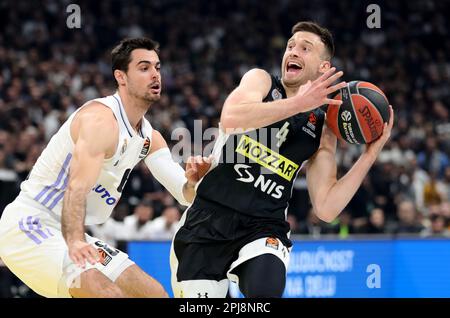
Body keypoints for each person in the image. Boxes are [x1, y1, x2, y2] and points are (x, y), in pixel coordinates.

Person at [170, 21, 394, 298]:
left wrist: (370, 154)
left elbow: (326, 207)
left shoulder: (322, 128)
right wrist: (299, 104)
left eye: (305, 48)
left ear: (323, 67)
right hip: (208, 218)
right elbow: (231, 117)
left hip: (263, 226)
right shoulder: (261, 81)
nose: (293, 52)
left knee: (266, 293)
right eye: (290, 46)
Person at [0, 37, 210, 298]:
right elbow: (76, 187)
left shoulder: (149, 137)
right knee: (106, 293)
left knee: (155, 293)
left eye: (157, 67)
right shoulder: (100, 120)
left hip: (73, 233)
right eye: (144, 68)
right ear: (121, 77)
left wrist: (192, 181)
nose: (155, 75)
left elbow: (184, 195)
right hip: (31, 223)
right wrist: (76, 241)